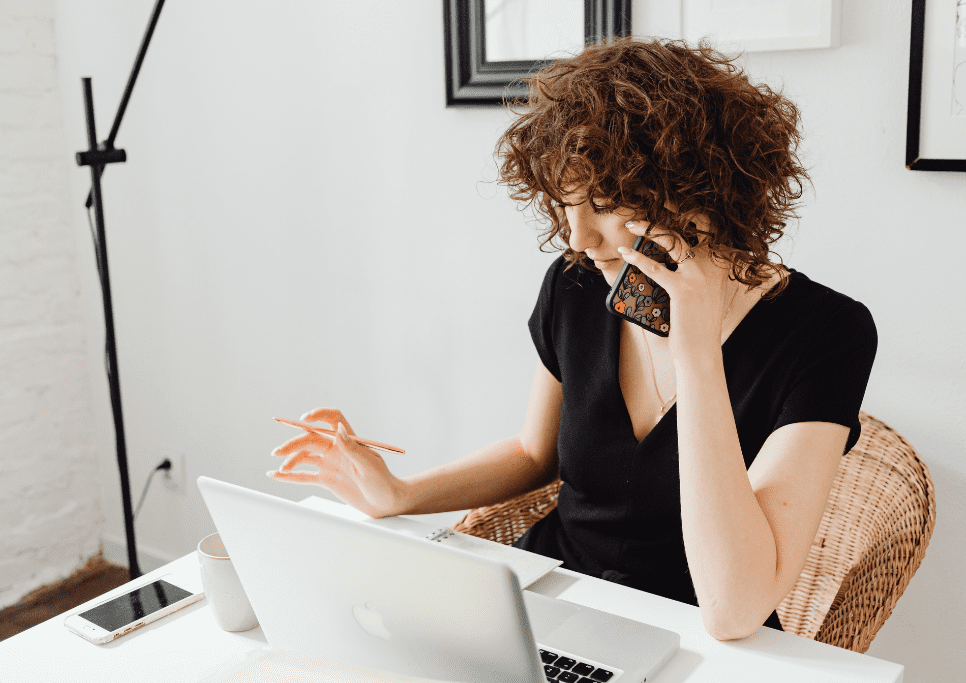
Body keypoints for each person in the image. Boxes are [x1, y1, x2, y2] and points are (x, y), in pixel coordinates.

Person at [268, 37, 877, 641]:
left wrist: (696, 358)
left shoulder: (827, 333)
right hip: (549, 603)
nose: (578, 237)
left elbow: (734, 607)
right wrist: (399, 494)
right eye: (565, 203)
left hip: (690, 641)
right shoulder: (577, 283)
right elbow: (536, 455)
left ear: (699, 194)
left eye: (605, 203)